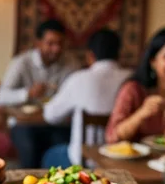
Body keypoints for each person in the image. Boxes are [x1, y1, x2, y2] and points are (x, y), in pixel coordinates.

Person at [41, 28, 131, 168]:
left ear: (90, 56)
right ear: (119, 54)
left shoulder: (78, 79)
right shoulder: (132, 78)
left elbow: (50, 115)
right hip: (123, 161)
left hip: (84, 164)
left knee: (50, 155)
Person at [0, 19, 78, 168]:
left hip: (56, 123)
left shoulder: (70, 63)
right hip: (24, 124)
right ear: (38, 43)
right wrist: (28, 93)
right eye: (50, 43)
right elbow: (1, 97)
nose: (56, 49)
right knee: (29, 147)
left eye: (60, 43)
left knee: (64, 149)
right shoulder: (21, 62)